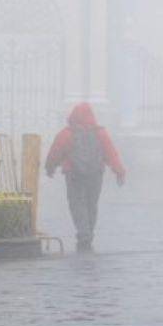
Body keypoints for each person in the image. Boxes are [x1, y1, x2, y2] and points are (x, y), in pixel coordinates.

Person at [44, 102, 125, 252]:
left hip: (74, 174)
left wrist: (50, 168)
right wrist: (119, 171)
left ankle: (83, 234)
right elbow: (111, 153)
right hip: (96, 175)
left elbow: (55, 152)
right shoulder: (100, 133)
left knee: (77, 204)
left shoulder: (67, 134)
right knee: (91, 204)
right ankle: (89, 233)